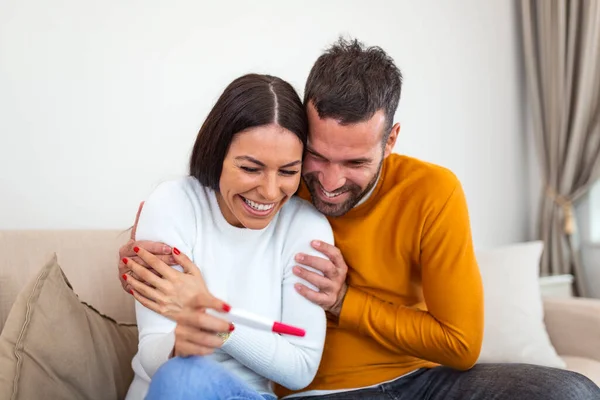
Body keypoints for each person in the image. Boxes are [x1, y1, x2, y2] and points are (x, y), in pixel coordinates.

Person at [120, 39, 600, 399]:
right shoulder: (287, 187)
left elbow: (461, 344)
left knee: (573, 392)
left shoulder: (430, 191)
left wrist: (345, 302)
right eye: (316, 156)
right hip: (322, 393)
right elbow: (228, 191)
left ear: (390, 140)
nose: (327, 181)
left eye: (354, 164)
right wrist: (140, 240)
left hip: (423, 380)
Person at [122, 73, 334, 400]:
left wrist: (218, 325)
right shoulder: (172, 205)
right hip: (164, 391)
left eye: (288, 171)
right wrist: (180, 343)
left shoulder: (306, 228)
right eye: (250, 168)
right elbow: (153, 355)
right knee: (184, 376)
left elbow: (301, 368)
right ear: (217, 152)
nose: (269, 191)